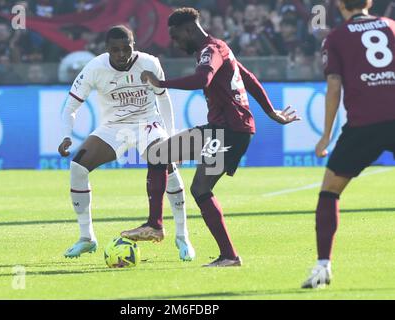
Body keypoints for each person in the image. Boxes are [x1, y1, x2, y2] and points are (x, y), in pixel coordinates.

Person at [121, 7, 300, 267]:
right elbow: (247, 77)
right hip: (229, 129)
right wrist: (270, 111)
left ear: (189, 29)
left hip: (227, 130)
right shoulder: (219, 48)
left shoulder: (210, 50)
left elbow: (203, 79)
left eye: (176, 36)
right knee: (188, 179)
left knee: (166, 161)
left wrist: (161, 84)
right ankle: (224, 254)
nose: (175, 42)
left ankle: (158, 226)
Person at [58, 25, 195, 261]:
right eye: (115, 50)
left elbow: (164, 100)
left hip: (147, 123)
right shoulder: (94, 68)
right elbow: (71, 106)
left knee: (165, 162)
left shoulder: (150, 63)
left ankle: (182, 237)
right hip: (113, 127)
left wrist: (171, 136)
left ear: (134, 45)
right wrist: (66, 134)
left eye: (126, 48)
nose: (121, 54)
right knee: (78, 167)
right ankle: (86, 237)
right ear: (106, 50)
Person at [302, 0, 395, 288]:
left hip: (363, 126)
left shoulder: (336, 37)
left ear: (340, 5)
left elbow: (333, 86)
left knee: (329, 191)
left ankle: (322, 268)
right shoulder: (392, 27)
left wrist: (326, 135)